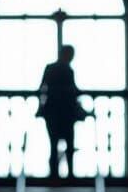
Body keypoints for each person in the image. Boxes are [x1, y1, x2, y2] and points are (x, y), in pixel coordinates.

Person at [35, 45, 91, 178]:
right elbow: (73, 90)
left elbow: (41, 88)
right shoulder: (67, 70)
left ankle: (54, 174)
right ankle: (69, 174)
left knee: (54, 143)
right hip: (65, 112)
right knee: (68, 143)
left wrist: (41, 106)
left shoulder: (51, 68)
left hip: (53, 111)